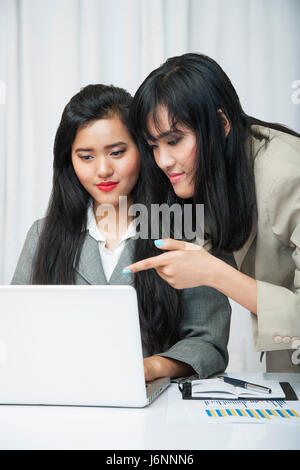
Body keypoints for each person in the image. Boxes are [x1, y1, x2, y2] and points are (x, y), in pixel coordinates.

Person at [11, 84, 232, 382]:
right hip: (63, 403)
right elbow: (16, 331)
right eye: (86, 157)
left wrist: (151, 368)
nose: (103, 170)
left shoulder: (185, 227)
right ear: (69, 161)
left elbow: (208, 342)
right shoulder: (43, 235)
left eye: (116, 152)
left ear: (143, 149)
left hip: (158, 409)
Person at [124, 53, 300, 373]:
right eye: (153, 145)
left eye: (174, 140)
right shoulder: (209, 177)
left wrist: (213, 273)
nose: (162, 160)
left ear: (221, 125)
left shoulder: (289, 173)